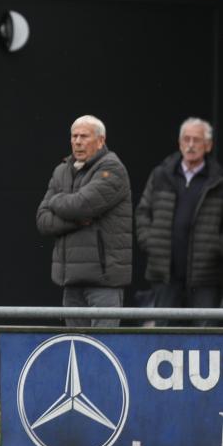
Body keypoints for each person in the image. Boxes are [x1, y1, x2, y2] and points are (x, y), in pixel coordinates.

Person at [36, 115, 132, 327]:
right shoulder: (61, 170)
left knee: (103, 346)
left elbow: (81, 206)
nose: (77, 141)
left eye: (84, 136)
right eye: (74, 136)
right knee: (76, 344)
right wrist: (77, 221)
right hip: (71, 282)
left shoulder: (112, 169)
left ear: (101, 140)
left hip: (103, 282)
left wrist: (55, 200)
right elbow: (42, 220)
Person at [136, 118, 221, 326]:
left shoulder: (218, 180)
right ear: (179, 143)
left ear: (208, 145)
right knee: (164, 335)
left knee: (204, 337)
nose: (190, 145)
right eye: (186, 139)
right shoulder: (161, 174)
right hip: (166, 274)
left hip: (206, 277)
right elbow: (143, 212)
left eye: (196, 140)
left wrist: (216, 248)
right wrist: (151, 242)